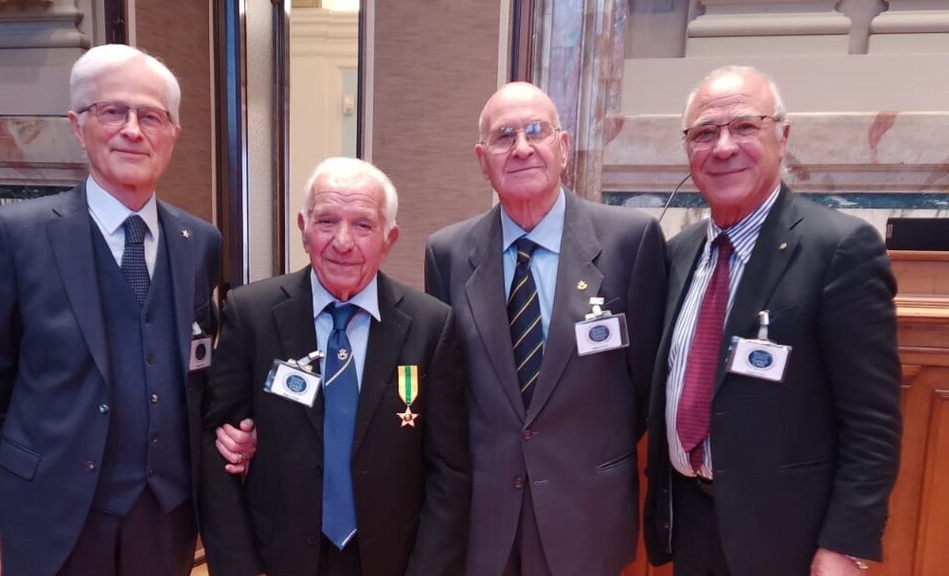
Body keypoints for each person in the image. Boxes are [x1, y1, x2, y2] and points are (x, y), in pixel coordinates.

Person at [0, 44, 254, 576]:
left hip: (165, 515)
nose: (132, 131)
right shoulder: (20, 236)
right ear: (78, 126)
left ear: (173, 133)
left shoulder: (200, 242)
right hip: (51, 515)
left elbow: (199, 369)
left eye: (151, 116)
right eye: (113, 111)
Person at [643, 65, 902, 576]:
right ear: (688, 150)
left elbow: (873, 421)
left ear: (782, 137)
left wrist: (846, 543)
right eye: (704, 133)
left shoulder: (839, 249)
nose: (723, 147)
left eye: (745, 126)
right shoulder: (678, 253)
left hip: (787, 539)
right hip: (690, 522)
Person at [425, 82, 667, 576]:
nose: (521, 147)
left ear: (563, 147)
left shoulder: (630, 241)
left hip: (587, 514)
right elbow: (448, 393)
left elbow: (646, 384)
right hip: (484, 520)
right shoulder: (447, 254)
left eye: (536, 131)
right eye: (504, 136)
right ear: (482, 160)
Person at [198, 157, 471, 576]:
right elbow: (219, 451)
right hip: (277, 558)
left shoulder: (431, 325)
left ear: (389, 238)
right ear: (303, 228)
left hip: (391, 562)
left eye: (363, 225)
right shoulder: (251, 314)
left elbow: (449, 471)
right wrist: (240, 567)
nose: (342, 242)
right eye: (326, 221)